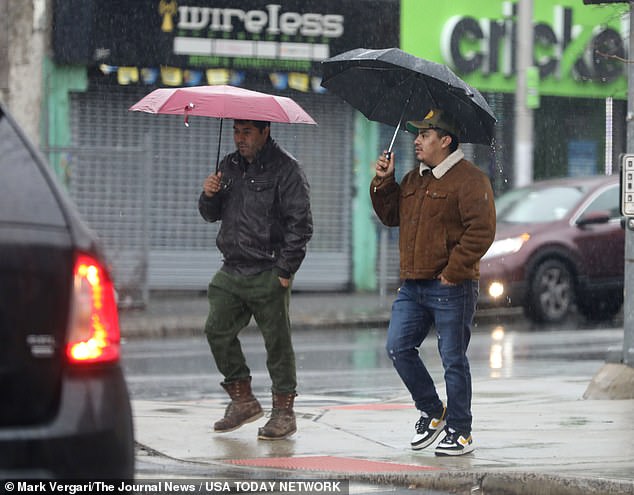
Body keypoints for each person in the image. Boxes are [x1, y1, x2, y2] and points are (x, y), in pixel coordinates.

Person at [370, 108, 495, 456]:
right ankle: (432, 409)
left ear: (445, 140)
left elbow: (482, 231)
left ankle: (461, 430)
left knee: (453, 358)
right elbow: (392, 215)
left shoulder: (471, 181)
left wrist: (453, 271)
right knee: (398, 347)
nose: (417, 140)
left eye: (425, 135)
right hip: (413, 285)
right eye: (417, 135)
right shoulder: (413, 179)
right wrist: (384, 182)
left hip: (451, 285)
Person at [198, 119, 313, 440]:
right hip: (232, 268)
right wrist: (209, 195)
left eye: (247, 131)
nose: (240, 138)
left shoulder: (287, 169)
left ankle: (284, 413)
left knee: (277, 344)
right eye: (236, 131)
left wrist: (285, 270)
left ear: (266, 131)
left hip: (268, 269)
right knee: (216, 331)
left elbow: (300, 224)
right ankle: (243, 400)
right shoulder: (229, 165)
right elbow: (212, 214)